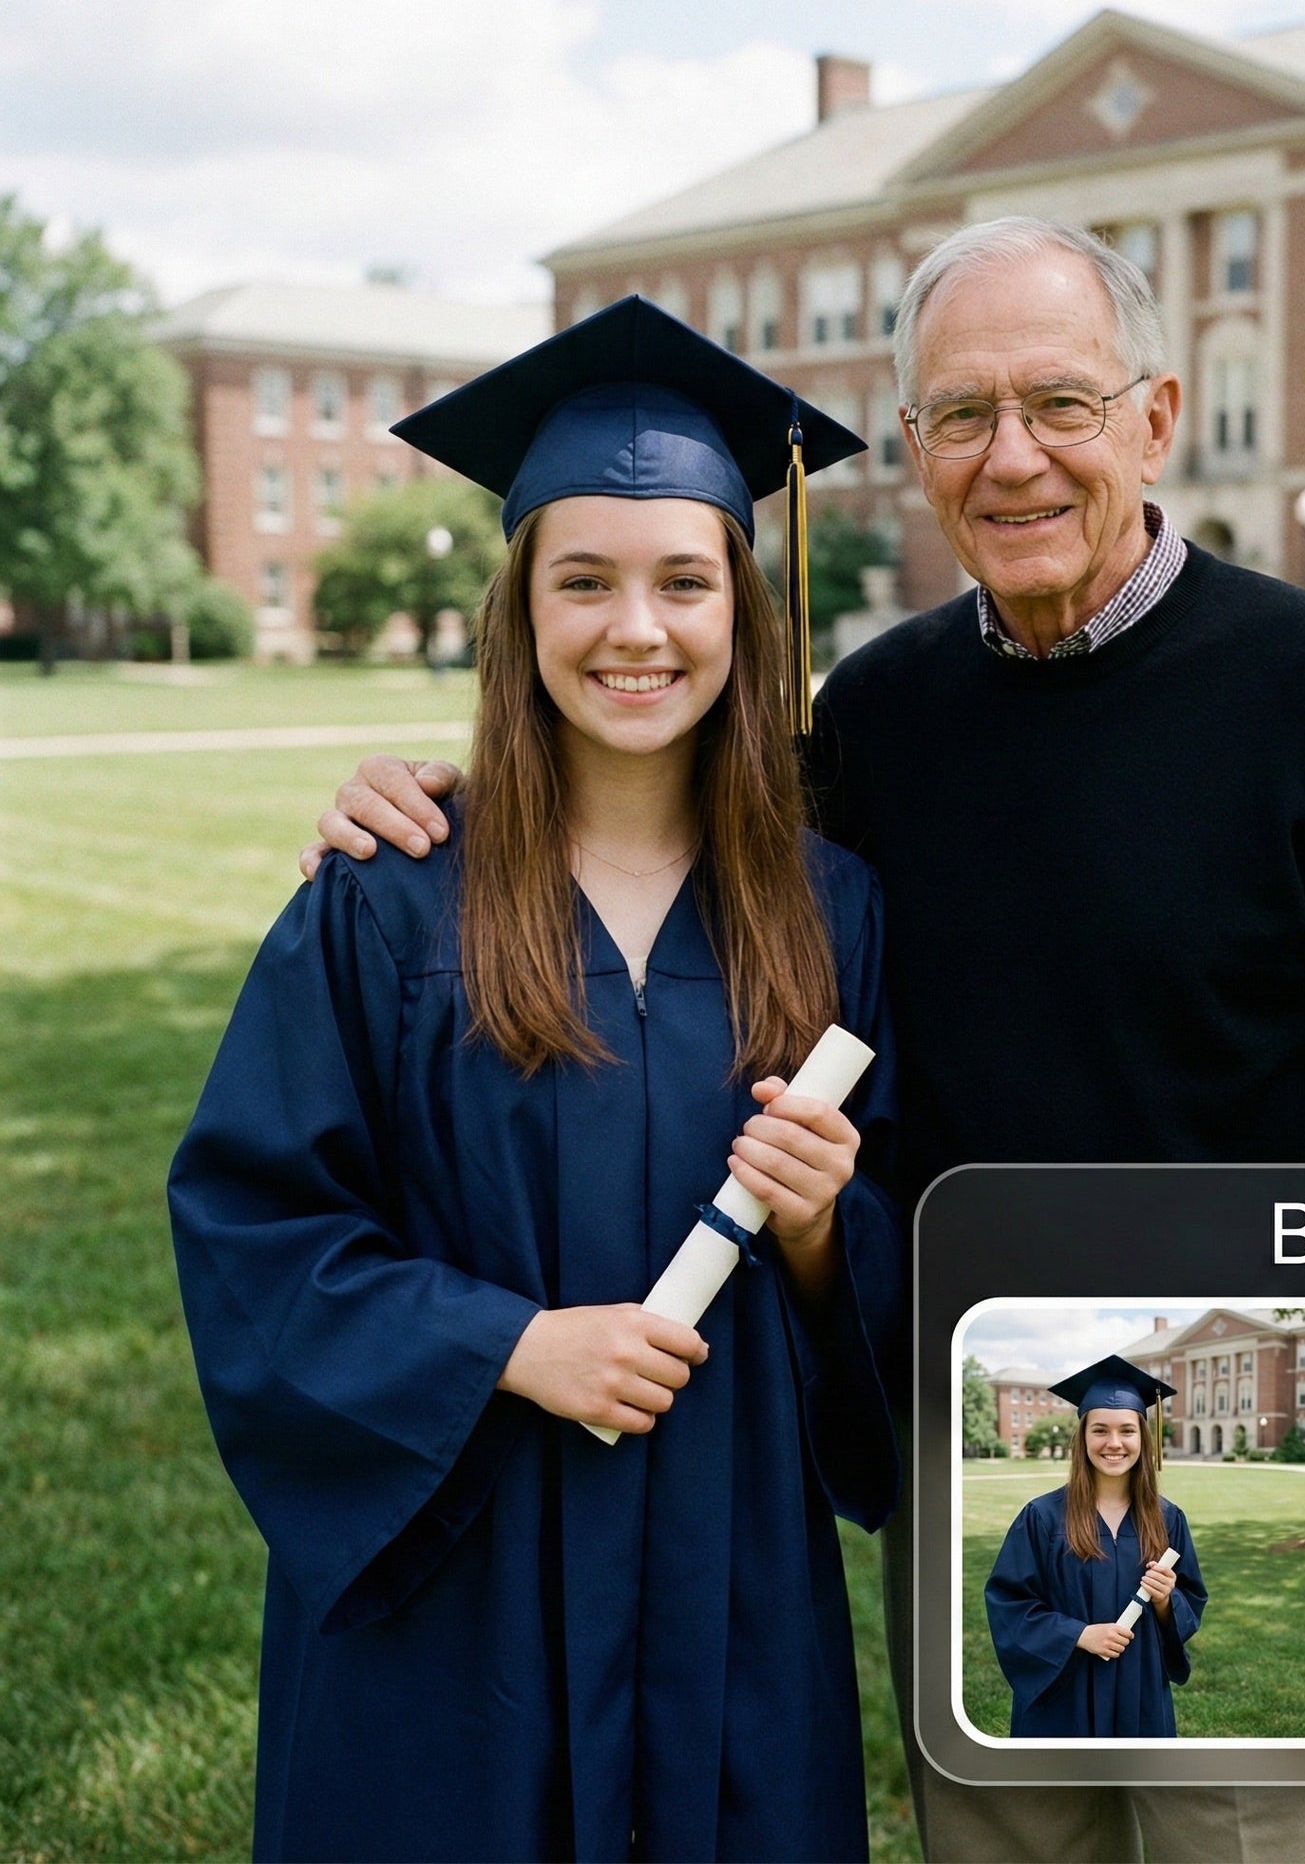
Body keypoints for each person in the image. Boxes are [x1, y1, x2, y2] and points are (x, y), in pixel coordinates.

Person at [302, 218, 1305, 1862]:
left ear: (1155, 419)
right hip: (971, 1437)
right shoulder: (878, 719)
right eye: (960, 415)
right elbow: (645, 778)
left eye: (1060, 405)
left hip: (1246, 1424)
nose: (1012, 458)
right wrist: (431, 798)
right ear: (915, 449)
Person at [169, 297, 905, 1862]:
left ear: (742, 608)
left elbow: (898, 1282)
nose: (635, 629)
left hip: (731, 1572)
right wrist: (505, 1344)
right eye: (584, 580)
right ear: (519, 607)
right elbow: (255, 1230)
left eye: (683, 581)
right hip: (461, 1580)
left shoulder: (829, 909)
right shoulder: (386, 900)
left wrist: (825, 1224)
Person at [985, 1357, 1206, 1738]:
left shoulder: (1168, 1519)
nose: (1114, 1443)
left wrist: (1166, 1600)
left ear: (1143, 1436)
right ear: (1083, 1437)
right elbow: (1010, 1604)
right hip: (1065, 1692)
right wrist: (1078, 1635)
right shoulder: (1042, 1518)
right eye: (1100, 1430)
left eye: (1127, 1431)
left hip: (1140, 1689)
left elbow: (1192, 1600)